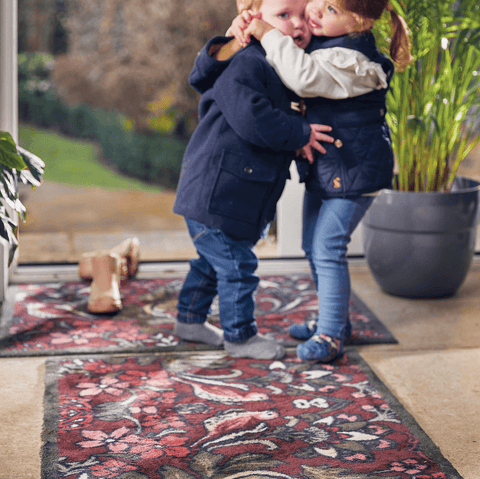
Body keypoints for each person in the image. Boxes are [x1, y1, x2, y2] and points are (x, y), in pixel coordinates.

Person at [227, 0, 412, 362]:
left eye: (330, 10)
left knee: (328, 246)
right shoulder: (329, 42)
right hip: (331, 169)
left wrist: (267, 33)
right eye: (319, 0)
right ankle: (335, 320)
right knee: (313, 244)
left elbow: (303, 76)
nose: (314, 12)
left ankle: (330, 336)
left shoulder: (354, 61)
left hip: (356, 169)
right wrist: (246, 27)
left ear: (357, 22)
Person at [172, 0, 335, 360]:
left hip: (231, 198)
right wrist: (300, 133)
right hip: (213, 195)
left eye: (303, 16)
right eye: (283, 16)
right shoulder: (248, 62)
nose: (296, 25)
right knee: (237, 268)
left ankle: (189, 319)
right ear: (254, 22)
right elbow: (252, 118)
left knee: (211, 263)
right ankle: (240, 336)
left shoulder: (286, 68)